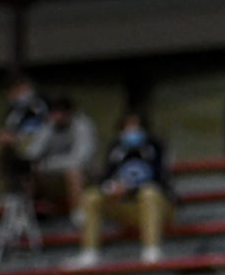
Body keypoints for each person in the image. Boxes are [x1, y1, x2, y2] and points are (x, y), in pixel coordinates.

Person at [72, 109, 171, 267]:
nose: (132, 130)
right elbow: (105, 178)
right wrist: (111, 188)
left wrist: (130, 189)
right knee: (91, 196)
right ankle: (90, 252)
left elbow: (161, 181)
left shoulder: (156, 146)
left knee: (149, 193)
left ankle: (152, 249)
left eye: (136, 125)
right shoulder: (116, 148)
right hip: (128, 207)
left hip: (158, 206)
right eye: (127, 126)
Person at [33, 95, 98, 221]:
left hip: (84, 173)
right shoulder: (48, 126)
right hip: (54, 172)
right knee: (30, 169)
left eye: (60, 113)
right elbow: (34, 153)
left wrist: (47, 163)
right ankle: (34, 210)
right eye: (54, 113)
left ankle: (78, 214)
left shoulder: (83, 126)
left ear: (69, 113)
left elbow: (80, 159)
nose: (56, 117)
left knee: (73, 172)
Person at [0, 73, 49, 196]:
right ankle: (3, 190)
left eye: (20, 89)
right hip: (20, 143)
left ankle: (17, 189)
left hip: (40, 141)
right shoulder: (13, 111)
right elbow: (12, 129)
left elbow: (43, 128)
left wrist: (16, 138)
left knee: (7, 146)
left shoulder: (40, 105)